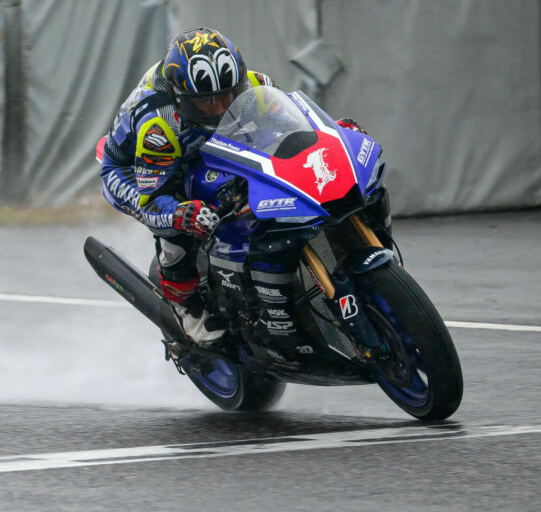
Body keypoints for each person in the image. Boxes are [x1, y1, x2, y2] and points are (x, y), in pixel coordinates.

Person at [99, 28, 365, 354]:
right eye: (207, 101)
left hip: (204, 145)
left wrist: (334, 133)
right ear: (181, 97)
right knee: (181, 220)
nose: (222, 106)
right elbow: (154, 200)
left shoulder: (254, 84)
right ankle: (186, 306)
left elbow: (296, 126)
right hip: (137, 171)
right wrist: (180, 213)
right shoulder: (159, 125)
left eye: (228, 94)